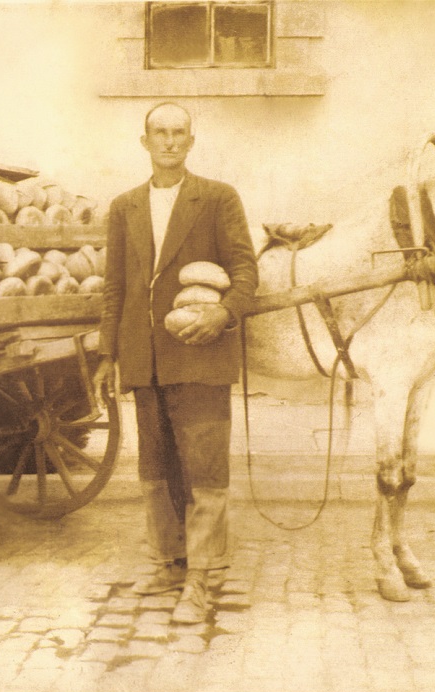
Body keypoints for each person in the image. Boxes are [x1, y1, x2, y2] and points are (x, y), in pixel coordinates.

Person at [93, 102, 258, 623]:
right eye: (159, 133)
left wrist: (224, 314)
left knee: (205, 472)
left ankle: (203, 581)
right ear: (145, 142)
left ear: (191, 141)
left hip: (202, 356)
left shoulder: (217, 198)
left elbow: (245, 270)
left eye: (178, 133)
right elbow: (115, 286)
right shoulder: (124, 207)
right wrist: (107, 356)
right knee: (157, 470)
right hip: (146, 359)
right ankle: (170, 564)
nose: (169, 141)